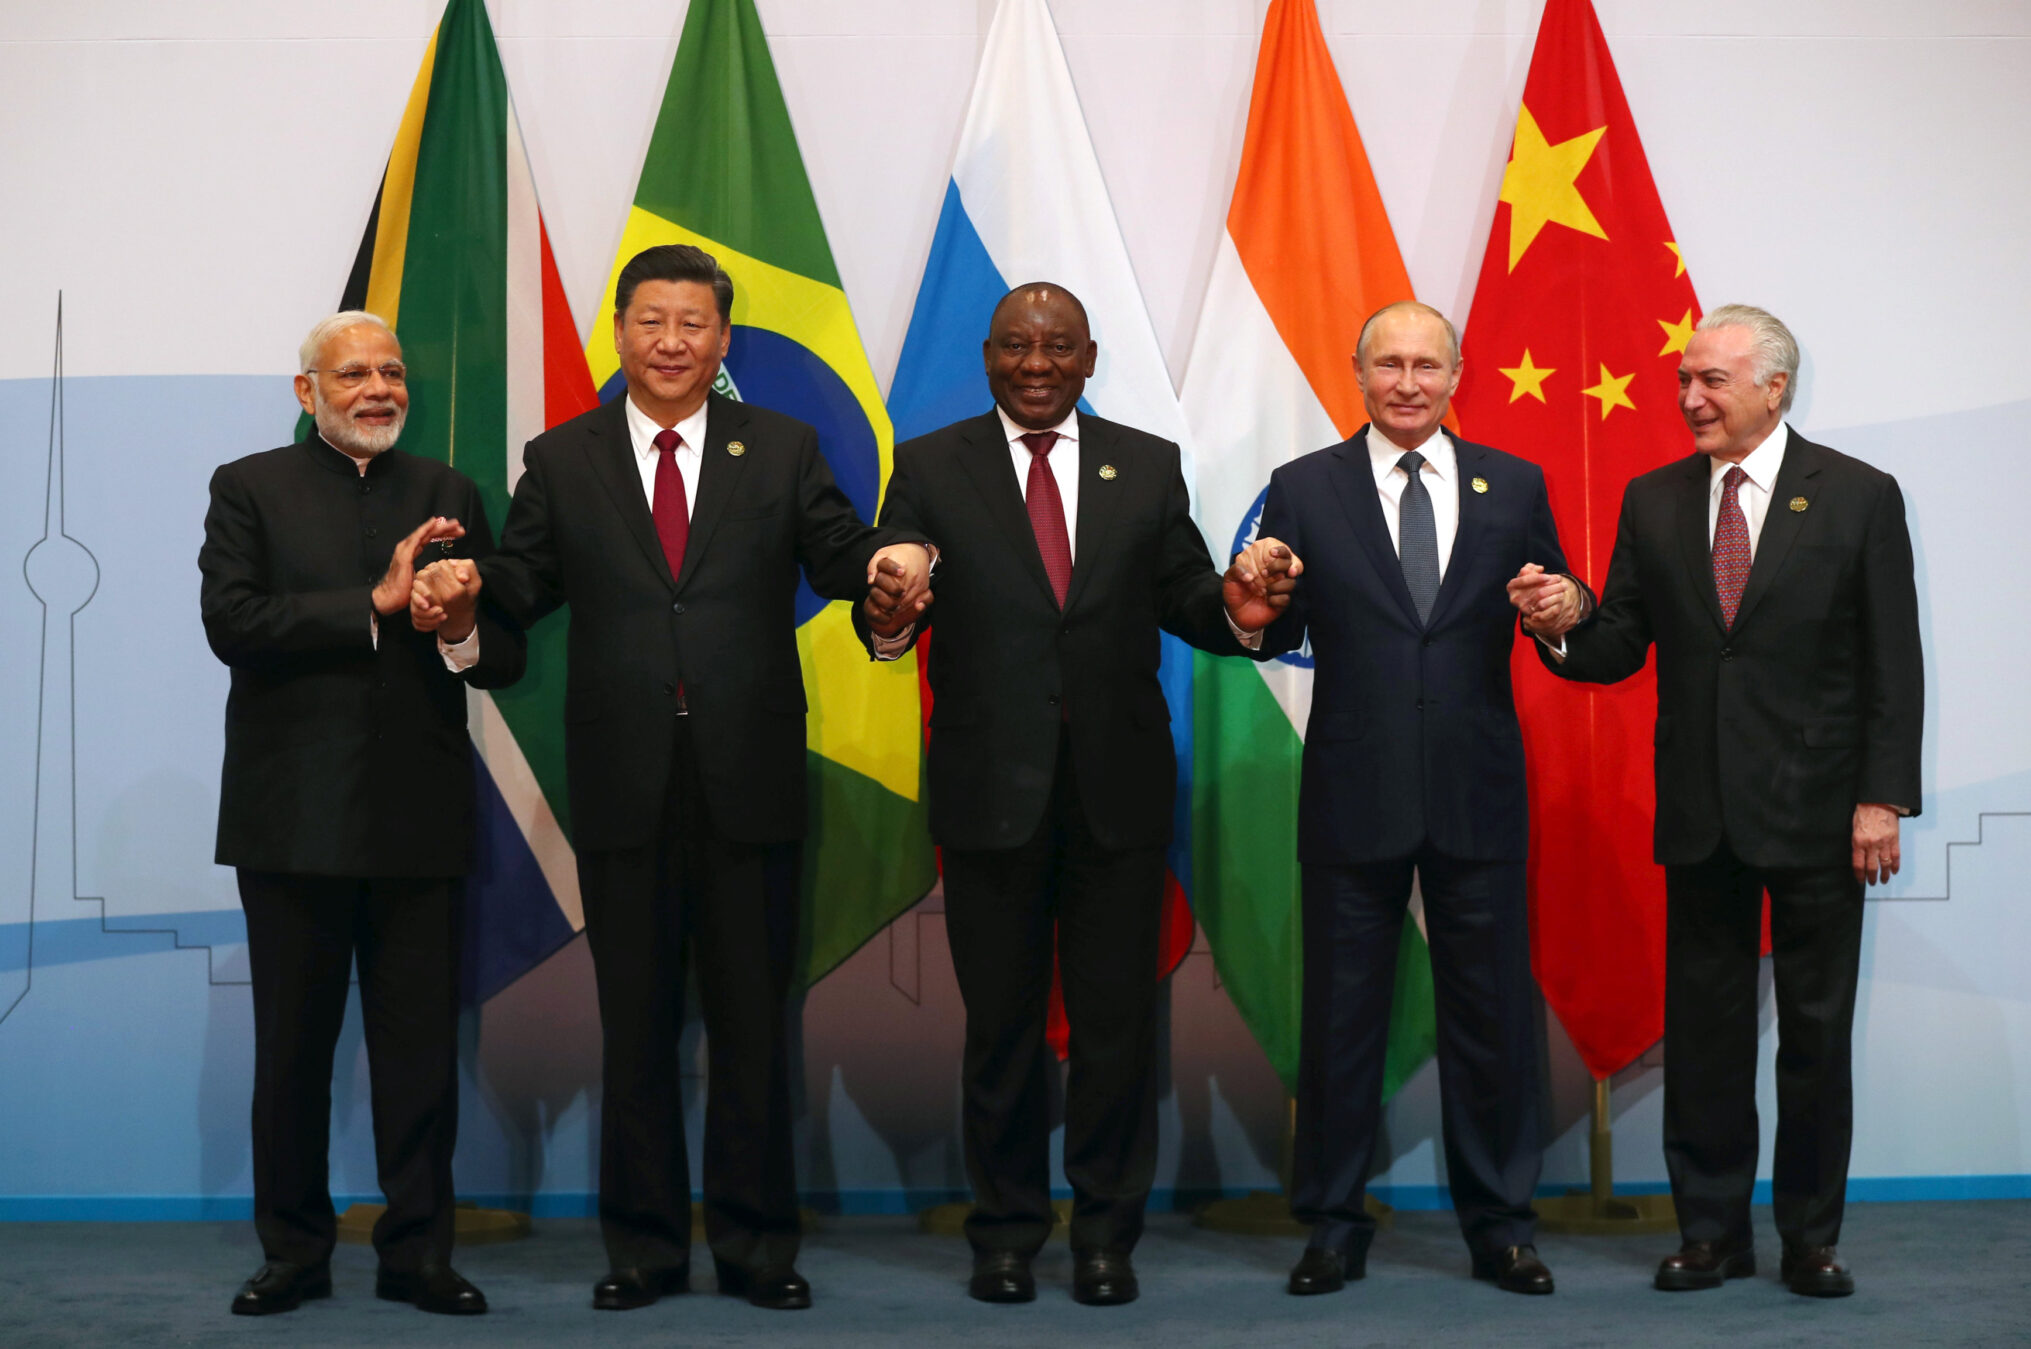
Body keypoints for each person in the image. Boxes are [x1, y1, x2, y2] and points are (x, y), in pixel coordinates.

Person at [444, 244, 930, 1313]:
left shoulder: (782, 446)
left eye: (693, 323)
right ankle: (644, 1251)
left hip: (750, 776)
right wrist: (467, 603)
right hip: (621, 781)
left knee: (755, 1026)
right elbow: (521, 585)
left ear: (721, 339)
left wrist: (886, 575)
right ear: (620, 332)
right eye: (652, 321)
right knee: (636, 1027)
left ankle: (757, 1248)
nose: (671, 341)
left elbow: (839, 554)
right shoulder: (561, 457)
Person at [854, 282, 1295, 1307]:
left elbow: (1186, 595)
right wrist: (889, 611)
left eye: (1058, 347)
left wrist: (1240, 607)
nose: (1037, 364)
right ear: (988, 356)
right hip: (988, 795)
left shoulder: (1145, 463)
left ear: (1089, 359)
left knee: (1115, 1032)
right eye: (1017, 345)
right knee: (999, 1033)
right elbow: (892, 598)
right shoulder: (929, 465)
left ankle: (1105, 1238)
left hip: (1117, 794)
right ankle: (1005, 1237)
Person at [1517, 304, 1922, 1299]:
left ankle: (1809, 1238)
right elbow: (1618, 643)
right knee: (1703, 1037)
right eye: (1683, 380)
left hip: (1821, 812)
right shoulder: (1653, 498)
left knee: (1815, 1038)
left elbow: (1893, 660)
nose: (1690, 398)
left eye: (1712, 380)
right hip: (1701, 809)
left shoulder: (1858, 494)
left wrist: (1881, 797)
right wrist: (1560, 621)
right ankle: (1709, 1232)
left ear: (1774, 387)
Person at [1248, 300, 1588, 1298]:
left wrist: (1563, 610)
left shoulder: (1513, 484)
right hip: (1352, 790)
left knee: (1493, 1022)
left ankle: (1501, 1227)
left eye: (1425, 365)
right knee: (1340, 1021)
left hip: (1477, 790)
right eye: (1388, 364)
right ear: (1357, 373)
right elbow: (1274, 627)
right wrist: (1255, 605)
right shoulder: (1302, 486)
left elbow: (1556, 608)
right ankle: (1331, 1225)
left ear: (1456, 374)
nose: (1406, 383)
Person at [199, 311, 524, 1317]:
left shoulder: (447, 491)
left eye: (393, 371)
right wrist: (375, 604)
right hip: (292, 820)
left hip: (418, 818)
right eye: (354, 374)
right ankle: (293, 1252)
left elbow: (503, 656)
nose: (379, 388)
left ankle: (417, 1253)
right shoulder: (249, 486)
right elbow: (233, 623)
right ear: (308, 392)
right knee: (293, 1057)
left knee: (419, 1057)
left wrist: (459, 623)